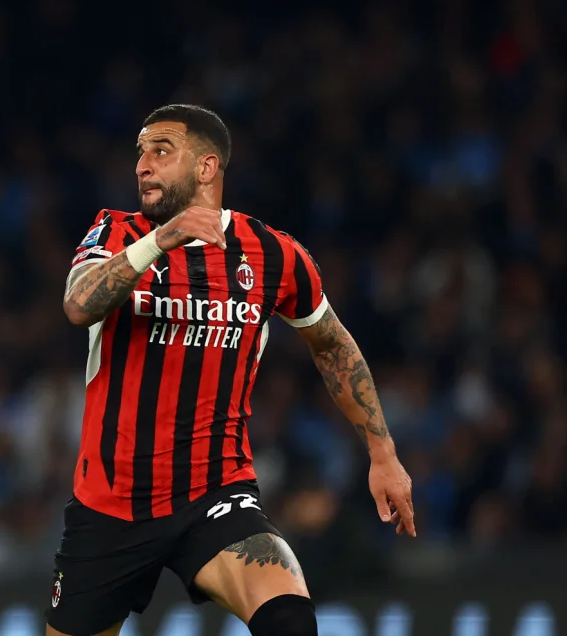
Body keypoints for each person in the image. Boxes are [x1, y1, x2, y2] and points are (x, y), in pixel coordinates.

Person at [47, 104, 415, 636]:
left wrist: (383, 453)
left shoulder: (272, 254)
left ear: (206, 167)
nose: (142, 166)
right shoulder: (117, 233)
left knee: (290, 618)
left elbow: (332, 345)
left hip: (215, 495)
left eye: (161, 150)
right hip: (110, 506)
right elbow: (79, 305)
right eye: (140, 153)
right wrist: (161, 241)